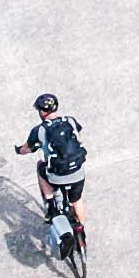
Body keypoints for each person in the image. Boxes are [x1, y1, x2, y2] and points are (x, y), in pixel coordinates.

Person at [19, 92, 89, 231]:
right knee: (76, 200)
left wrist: (19, 150)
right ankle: (81, 230)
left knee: (40, 167)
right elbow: (79, 139)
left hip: (57, 176)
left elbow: (26, 149)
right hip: (78, 172)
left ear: (41, 112)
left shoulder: (39, 130)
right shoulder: (70, 121)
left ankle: (50, 204)